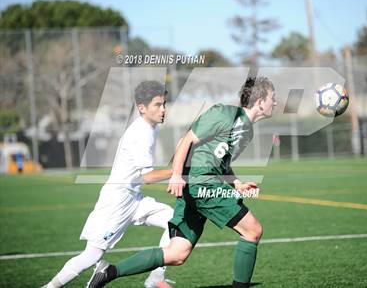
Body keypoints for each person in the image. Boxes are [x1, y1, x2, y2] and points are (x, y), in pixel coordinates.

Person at [87, 76, 277, 288]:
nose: (275, 103)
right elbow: (185, 140)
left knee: (177, 253)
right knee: (253, 230)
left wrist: (237, 183)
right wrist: (176, 175)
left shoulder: (246, 131)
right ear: (260, 101)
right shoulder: (224, 113)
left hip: (200, 185)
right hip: (202, 184)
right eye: (272, 98)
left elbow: (220, 162)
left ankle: (109, 272)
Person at [42, 81, 174, 288]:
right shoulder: (142, 133)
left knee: (174, 221)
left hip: (134, 198)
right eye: (158, 105)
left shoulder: (152, 127)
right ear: (142, 108)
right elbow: (147, 177)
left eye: (164, 104)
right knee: (92, 254)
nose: (163, 109)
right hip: (117, 201)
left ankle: (156, 277)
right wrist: (179, 172)